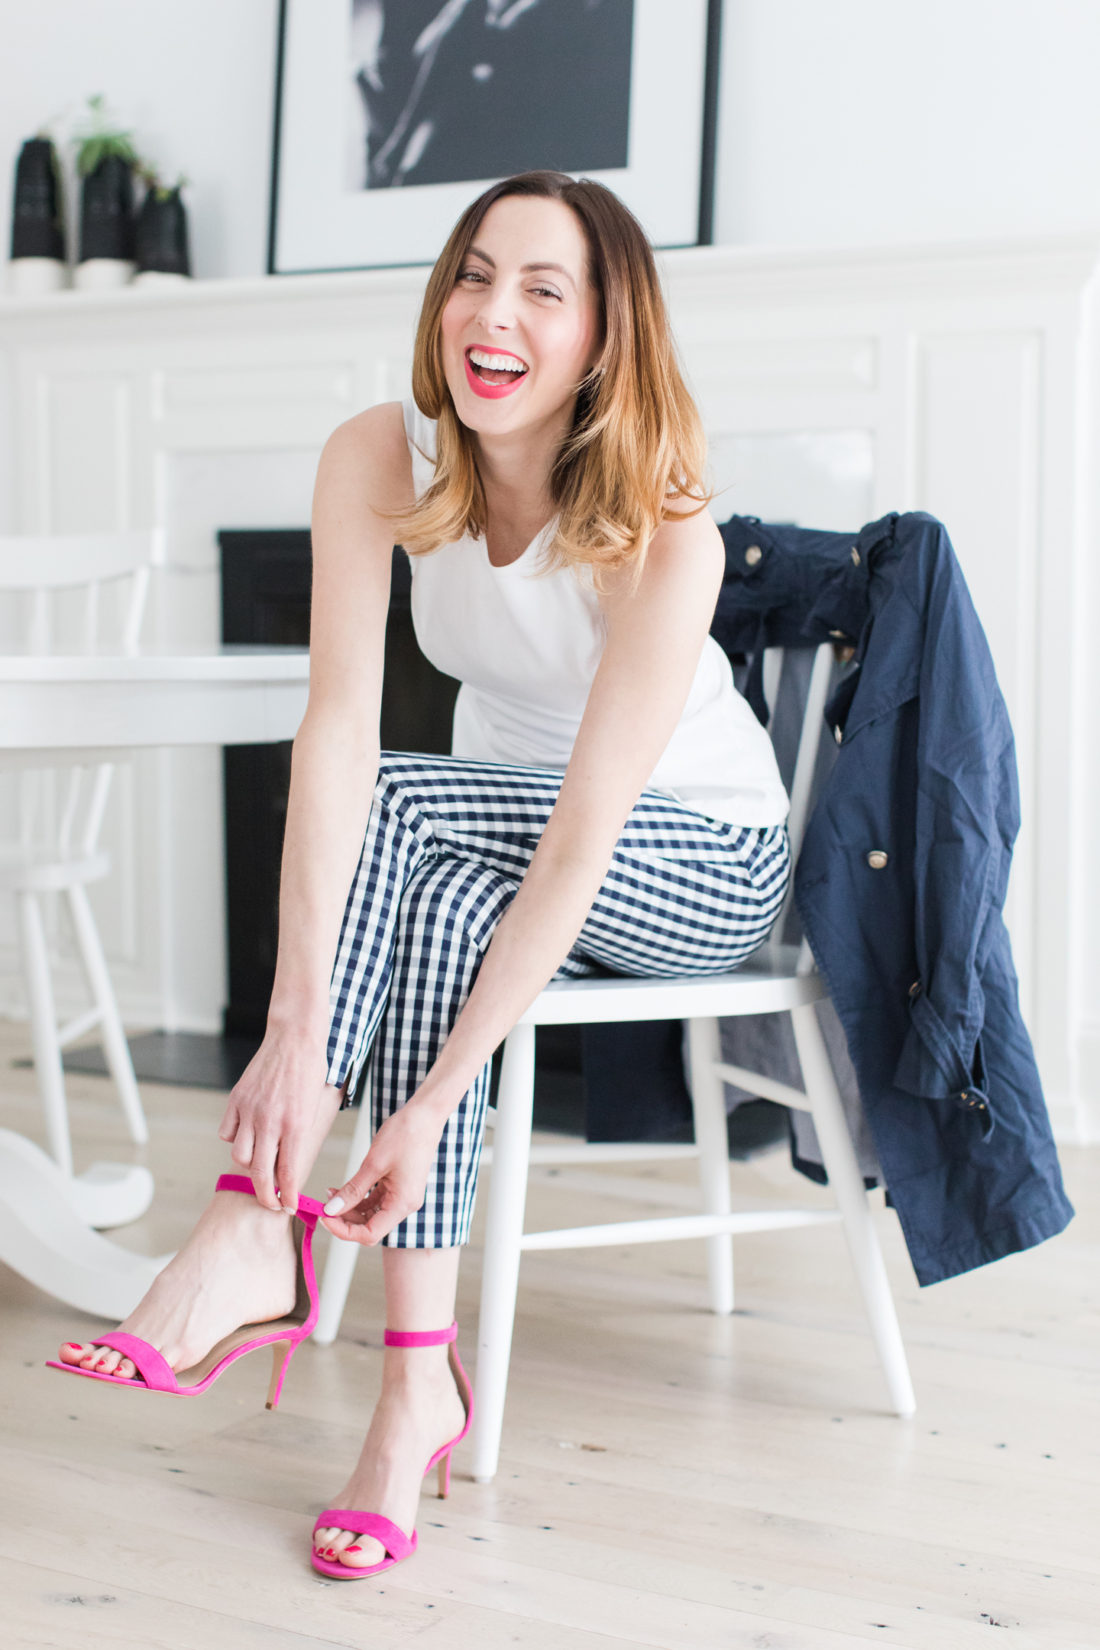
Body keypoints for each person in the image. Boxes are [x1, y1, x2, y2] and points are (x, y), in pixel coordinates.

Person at [50, 170, 791, 1577]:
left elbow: (577, 840)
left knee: (415, 808)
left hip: (701, 857)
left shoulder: (665, 527)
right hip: (481, 842)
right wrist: (290, 1027)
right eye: (472, 272)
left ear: (603, 339)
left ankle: (246, 1227)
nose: (490, 311)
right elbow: (333, 727)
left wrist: (436, 1089)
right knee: (435, 873)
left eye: (541, 288)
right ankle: (414, 1388)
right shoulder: (379, 456)